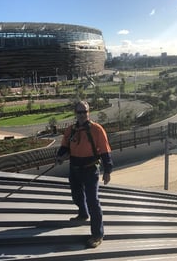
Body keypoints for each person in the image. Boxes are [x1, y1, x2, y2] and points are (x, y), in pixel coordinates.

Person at [56, 100, 113, 248]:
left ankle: (97, 234)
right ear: (75, 113)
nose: (82, 115)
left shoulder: (97, 129)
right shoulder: (71, 130)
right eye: (79, 112)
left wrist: (107, 171)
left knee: (93, 201)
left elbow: (106, 151)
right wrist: (59, 157)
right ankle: (83, 214)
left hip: (90, 169)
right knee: (76, 195)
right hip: (74, 168)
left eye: (85, 112)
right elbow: (64, 147)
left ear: (89, 112)